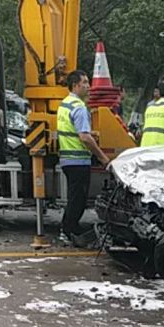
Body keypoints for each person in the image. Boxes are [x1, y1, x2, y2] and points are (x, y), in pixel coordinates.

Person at [57, 70, 110, 245]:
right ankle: (68, 231)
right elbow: (84, 137)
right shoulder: (79, 107)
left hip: (67, 159)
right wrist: (102, 157)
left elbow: (74, 132)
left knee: (75, 197)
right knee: (77, 199)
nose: (88, 86)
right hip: (78, 160)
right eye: (85, 83)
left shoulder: (65, 104)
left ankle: (70, 229)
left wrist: (89, 133)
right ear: (75, 85)